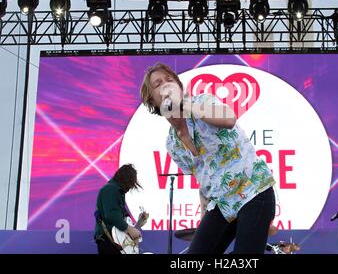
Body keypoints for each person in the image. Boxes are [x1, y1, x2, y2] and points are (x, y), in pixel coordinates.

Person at [140, 62, 276, 254]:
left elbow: (229, 120)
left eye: (170, 80)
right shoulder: (173, 144)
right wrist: (205, 218)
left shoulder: (202, 102)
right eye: (158, 84)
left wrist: (183, 103)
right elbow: (202, 179)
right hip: (221, 203)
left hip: (253, 191)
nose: (166, 85)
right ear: (152, 101)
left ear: (179, 87)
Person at [94, 163, 142, 254]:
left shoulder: (118, 192)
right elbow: (112, 215)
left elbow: (120, 218)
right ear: (125, 180)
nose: (130, 188)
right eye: (130, 184)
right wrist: (130, 229)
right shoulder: (110, 190)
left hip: (115, 239)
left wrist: (138, 223)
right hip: (107, 239)